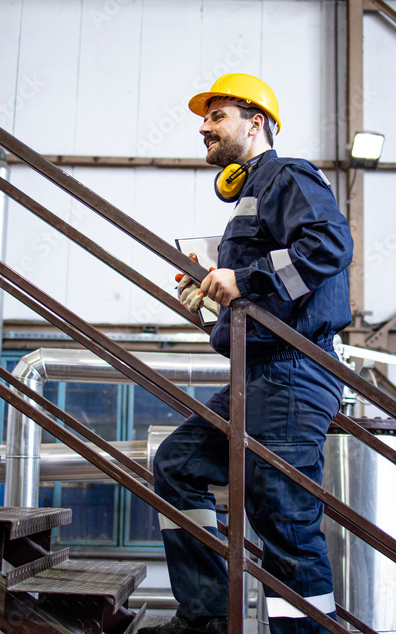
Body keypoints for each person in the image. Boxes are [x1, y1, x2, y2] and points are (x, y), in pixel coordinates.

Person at [140, 74, 353, 634]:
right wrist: (210, 291)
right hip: (258, 374)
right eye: (204, 120)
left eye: (217, 116)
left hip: (291, 372)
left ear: (255, 122)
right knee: (177, 466)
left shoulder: (286, 174)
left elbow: (330, 245)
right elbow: (260, 285)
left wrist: (246, 280)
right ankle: (208, 616)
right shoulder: (254, 193)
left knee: (282, 516)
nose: (204, 128)